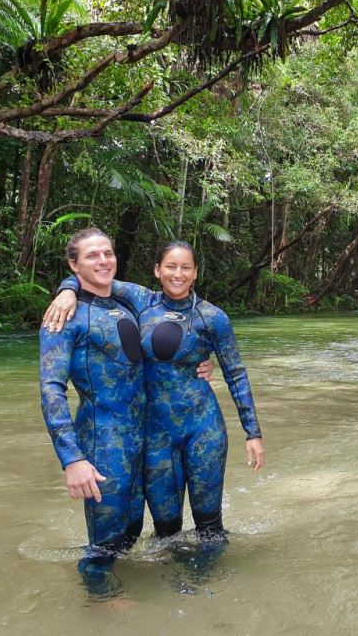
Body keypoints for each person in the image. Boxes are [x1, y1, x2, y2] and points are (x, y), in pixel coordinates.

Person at [46, 240, 264, 544]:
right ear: (157, 270)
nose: (178, 274)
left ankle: (211, 585)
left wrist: (252, 432)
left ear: (196, 273)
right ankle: (170, 586)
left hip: (204, 428)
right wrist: (66, 290)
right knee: (166, 531)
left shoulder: (212, 317)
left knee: (210, 527)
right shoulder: (139, 300)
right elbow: (93, 275)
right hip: (154, 435)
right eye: (171, 266)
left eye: (186, 267)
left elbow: (236, 373)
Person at [39, 228, 213, 595]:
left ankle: (134, 592)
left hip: (141, 439)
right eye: (91, 256)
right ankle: (103, 603)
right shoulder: (63, 318)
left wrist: (200, 360)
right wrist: (72, 459)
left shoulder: (130, 301)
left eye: (108, 253)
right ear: (73, 264)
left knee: (131, 531)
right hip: (102, 443)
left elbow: (178, 308)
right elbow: (51, 389)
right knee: (103, 544)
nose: (103, 261)